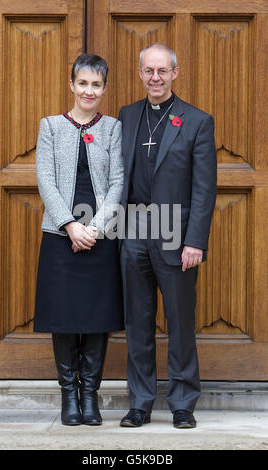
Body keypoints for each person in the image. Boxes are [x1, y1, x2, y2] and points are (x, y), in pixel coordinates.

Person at [118, 43, 217, 428]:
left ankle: (182, 403)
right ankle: (140, 402)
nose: (155, 78)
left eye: (162, 71)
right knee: (137, 322)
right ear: (140, 73)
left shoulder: (196, 120)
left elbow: (204, 188)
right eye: (149, 71)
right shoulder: (126, 116)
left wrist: (196, 240)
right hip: (133, 231)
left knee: (179, 322)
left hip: (177, 234)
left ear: (175, 73)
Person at [34, 53, 124, 426]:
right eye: (83, 83)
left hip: (100, 238)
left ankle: (91, 396)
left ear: (104, 88)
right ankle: (68, 395)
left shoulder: (113, 129)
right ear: (71, 85)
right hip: (60, 236)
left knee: (97, 318)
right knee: (66, 318)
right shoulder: (51, 126)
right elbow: (45, 180)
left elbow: (119, 181)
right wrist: (71, 225)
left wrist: (95, 228)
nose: (89, 90)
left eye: (96, 84)